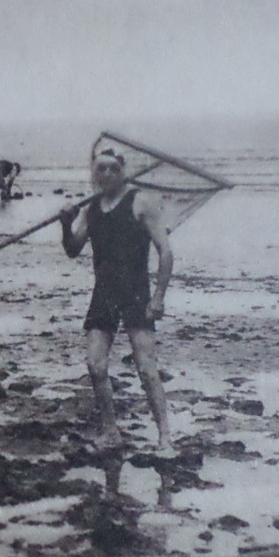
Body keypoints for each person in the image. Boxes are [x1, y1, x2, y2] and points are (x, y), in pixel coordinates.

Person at [59, 148, 174, 451]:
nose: (106, 174)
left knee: (147, 369)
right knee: (95, 365)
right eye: (101, 169)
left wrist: (159, 297)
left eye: (112, 168)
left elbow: (165, 251)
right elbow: (73, 249)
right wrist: (64, 223)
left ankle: (165, 438)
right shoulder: (91, 208)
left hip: (136, 292)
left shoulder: (140, 202)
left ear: (123, 171)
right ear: (94, 173)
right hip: (104, 293)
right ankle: (110, 432)